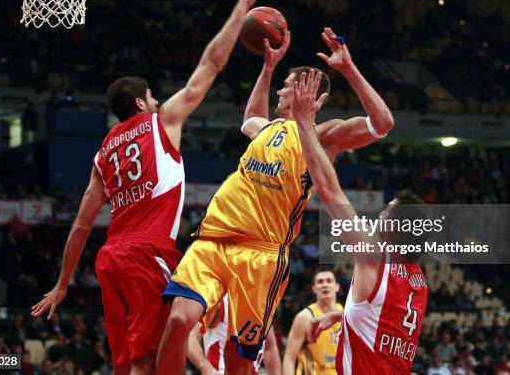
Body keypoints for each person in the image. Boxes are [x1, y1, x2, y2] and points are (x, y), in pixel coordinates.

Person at [30, 0, 266, 375]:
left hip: (109, 260)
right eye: (153, 97)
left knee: (126, 364)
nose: (158, 102)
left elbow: (81, 225)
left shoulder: (103, 152)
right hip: (146, 252)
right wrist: (244, 1)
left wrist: (64, 282)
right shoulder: (161, 123)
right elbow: (210, 65)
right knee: (152, 360)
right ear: (141, 103)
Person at [158, 27, 394, 374]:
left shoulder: (322, 137)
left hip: (263, 255)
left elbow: (383, 123)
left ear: (312, 95)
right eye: (281, 83)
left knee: (240, 360)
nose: (282, 88)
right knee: (179, 319)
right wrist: (268, 68)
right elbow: (249, 121)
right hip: (212, 240)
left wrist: (348, 70)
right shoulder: (268, 130)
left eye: (288, 83)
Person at [293, 70, 428, 374]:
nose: (379, 214)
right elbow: (383, 319)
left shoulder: (372, 257)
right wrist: (342, 317)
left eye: (386, 211)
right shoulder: (417, 280)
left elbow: (328, 189)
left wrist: (304, 123)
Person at [187, 294, 281, 375]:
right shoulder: (220, 301)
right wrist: (206, 367)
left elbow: (270, 349)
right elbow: (191, 339)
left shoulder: (261, 305)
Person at [282, 267, 342, 375]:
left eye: (329, 281)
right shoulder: (305, 317)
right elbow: (289, 358)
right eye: (320, 282)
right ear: (314, 288)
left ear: (337, 287)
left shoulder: (345, 314)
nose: (325, 284)